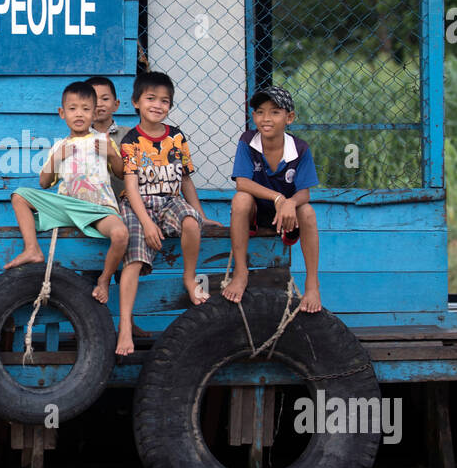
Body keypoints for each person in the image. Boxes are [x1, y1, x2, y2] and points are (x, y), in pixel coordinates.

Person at [116, 71, 219, 356]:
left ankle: (189, 278)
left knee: (190, 222)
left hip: (170, 201)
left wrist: (200, 213)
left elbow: (185, 180)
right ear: (136, 102)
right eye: (151, 99)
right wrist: (147, 223)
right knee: (134, 259)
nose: (158, 105)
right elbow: (131, 187)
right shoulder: (131, 141)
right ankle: (125, 325)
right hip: (139, 205)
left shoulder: (176, 137)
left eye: (165, 101)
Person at [4, 80, 129, 304]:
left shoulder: (103, 140)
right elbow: (43, 183)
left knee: (120, 235)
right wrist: (56, 158)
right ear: (62, 113)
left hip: (99, 208)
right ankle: (32, 249)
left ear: (94, 114)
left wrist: (111, 154)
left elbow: (121, 173)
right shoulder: (59, 146)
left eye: (85, 109)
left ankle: (104, 279)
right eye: (72, 109)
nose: (79, 114)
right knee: (19, 195)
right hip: (68, 207)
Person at [222, 85, 322, 312]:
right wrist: (279, 198)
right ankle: (240, 272)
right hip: (257, 213)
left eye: (275, 112)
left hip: (286, 218)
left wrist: (288, 203)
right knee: (240, 199)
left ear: (290, 117)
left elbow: (304, 192)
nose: (266, 118)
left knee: (307, 211)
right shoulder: (248, 141)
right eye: (260, 112)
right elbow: (242, 182)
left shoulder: (300, 148)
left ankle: (312, 284)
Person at [84, 75, 126, 201]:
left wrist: (111, 154)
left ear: (116, 104)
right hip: (90, 205)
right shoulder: (79, 138)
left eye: (105, 99)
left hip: (123, 204)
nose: (99, 104)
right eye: (94, 100)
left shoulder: (129, 135)